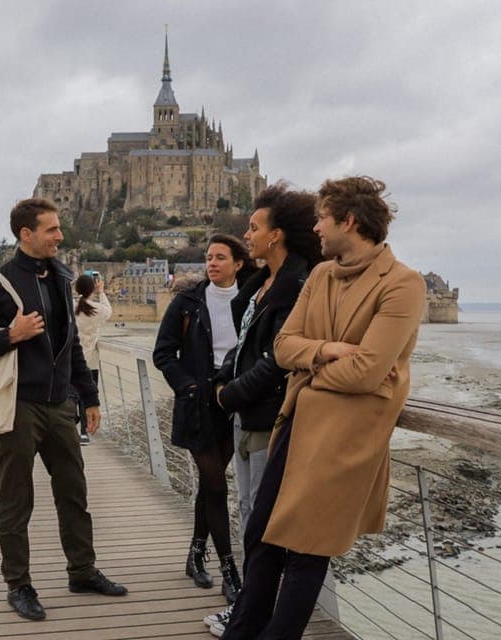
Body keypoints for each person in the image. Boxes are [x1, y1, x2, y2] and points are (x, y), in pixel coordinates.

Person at [220, 176, 426, 640]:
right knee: (262, 535)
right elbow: (283, 344)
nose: (314, 227)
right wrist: (327, 351)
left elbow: (368, 372)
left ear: (348, 221)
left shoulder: (403, 284)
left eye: (322, 218)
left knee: (307, 552)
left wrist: (308, 369)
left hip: (345, 438)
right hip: (297, 425)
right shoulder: (319, 275)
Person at [0, 198, 127, 621]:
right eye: (51, 229)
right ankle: (19, 584)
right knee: (15, 501)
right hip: (18, 407)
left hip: (60, 404)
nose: (60, 235)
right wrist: (10, 335)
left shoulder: (62, 277)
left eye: (58, 228)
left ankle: (82, 571)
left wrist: (89, 398)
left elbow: (70, 348)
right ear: (25, 234)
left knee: (74, 492)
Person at [203, 183, 322, 636]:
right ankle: (251, 612)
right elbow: (245, 346)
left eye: (253, 227)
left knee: (260, 519)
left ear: (276, 235)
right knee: (250, 511)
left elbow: (278, 358)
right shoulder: (261, 285)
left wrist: (230, 394)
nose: (246, 234)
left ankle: (251, 614)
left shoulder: (295, 285)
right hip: (245, 413)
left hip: (268, 414)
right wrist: (222, 381)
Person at [153, 233, 252, 604]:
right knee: (215, 485)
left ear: (238, 263)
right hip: (198, 403)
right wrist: (189, 388)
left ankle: (196, 552)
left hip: (238, 399)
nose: (211, 263)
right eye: (208, 257)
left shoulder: (251, 300)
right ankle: (229, 568)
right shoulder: (188, 302)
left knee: (210, 486)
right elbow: (163, 353)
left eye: (220, 258)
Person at [73, 273, 112, 444]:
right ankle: (84, 432)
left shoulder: (71, 307)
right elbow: (108, 312)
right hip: (90, 360)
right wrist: (101, 292)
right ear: (92, 289)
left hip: (71, 360)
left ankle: (71, 426)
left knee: (72, 394)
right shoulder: (96, 309)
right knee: (87, 396)